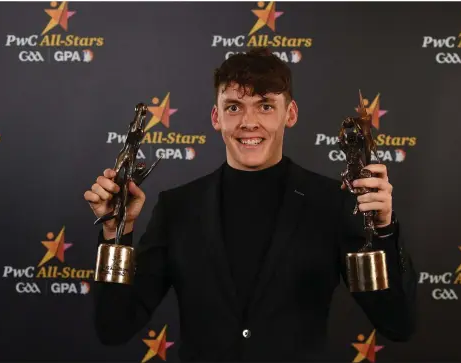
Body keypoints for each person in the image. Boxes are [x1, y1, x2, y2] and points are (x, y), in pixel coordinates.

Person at [84, 47, 417, 362]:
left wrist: (385, 231)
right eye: (234, 107)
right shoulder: (178, 208)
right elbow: (113, 328)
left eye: (265, 105)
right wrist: (118, 233)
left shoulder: (332, 203)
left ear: (291, 113)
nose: (248, 121)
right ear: (216, 117)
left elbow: (397, 324)